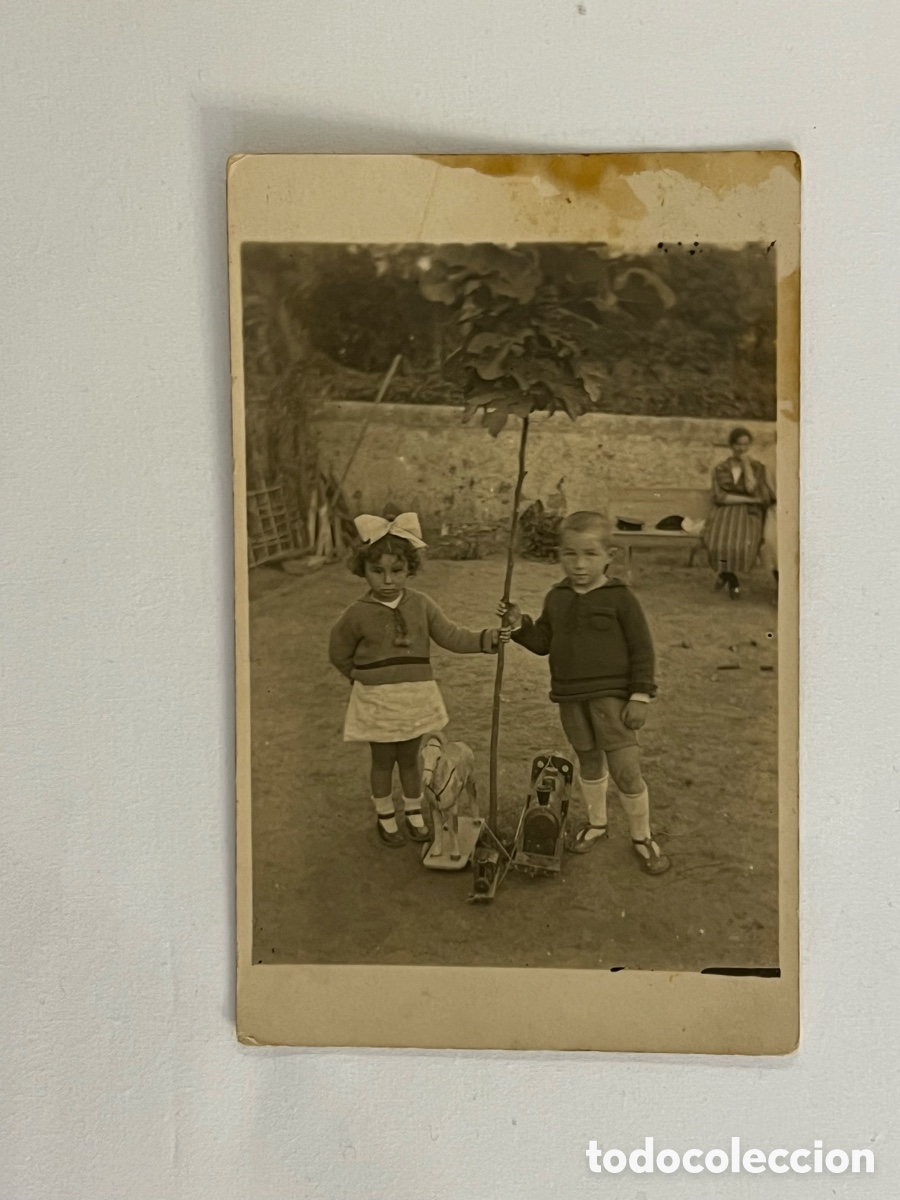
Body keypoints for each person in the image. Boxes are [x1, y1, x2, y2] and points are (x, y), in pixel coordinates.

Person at [499, 511, 670, 875]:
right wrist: (518, 625)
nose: (578, 565)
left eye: (590, 554)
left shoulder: (620, 597)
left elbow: (642, 648)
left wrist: (640, 695)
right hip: (570, 698)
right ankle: (598, 823)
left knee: (626, 771)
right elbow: (544, 641)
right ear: (559, 554)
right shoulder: (557, 597)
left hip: (612, 699)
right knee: (589, 762)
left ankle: (642, 836)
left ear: (610, 555)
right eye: (570, 554)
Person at [329, 510, 506, 849]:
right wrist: (360, 678)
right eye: (377, 571)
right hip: (377, 700)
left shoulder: (422, 605)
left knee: (410, 758)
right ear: (362, 569)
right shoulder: (356, 614)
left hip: (413, 696)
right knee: (382, 759)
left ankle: (413, 813)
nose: (388, 580)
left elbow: (452, 635)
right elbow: (338, 652)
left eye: (397, 571)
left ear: (409, 569)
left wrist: (488, 639)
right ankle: (386, 817)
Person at [704, 426, 774, 599]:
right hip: (725, 511)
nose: (741, 449)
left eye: (745, 445)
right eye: (737, 444)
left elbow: (752, 489)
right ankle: (731, 576)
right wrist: (751, 500)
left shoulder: (757, 468)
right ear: (731, 445)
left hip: (749, 514)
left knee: (743, 544)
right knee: (716, 543)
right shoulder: (721, 468)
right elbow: (720, 497)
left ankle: (725, 575)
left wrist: (746, 465)